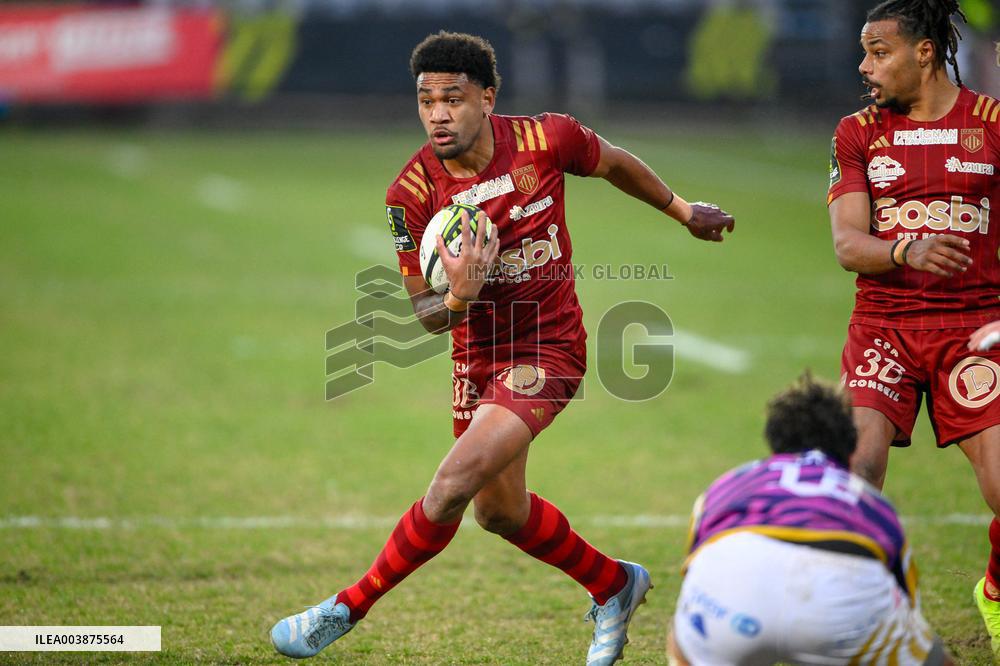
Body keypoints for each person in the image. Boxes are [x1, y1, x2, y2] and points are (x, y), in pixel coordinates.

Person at [269, 31, 735, 663]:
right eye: (426, 100)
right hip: (475, 356)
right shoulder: (408, 193)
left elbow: (616, 162)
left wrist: (683, 211)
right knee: (500, 511)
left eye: (453, 99)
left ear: (488, 98)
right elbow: (425, 314)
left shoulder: (547, 139)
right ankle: (614, 584)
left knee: (451, 483)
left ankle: (346, 607)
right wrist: (460, 295)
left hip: (550, 347)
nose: (437, 114)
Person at [826, 0, 1000, 653]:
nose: (864, 65)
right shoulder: (857, 132)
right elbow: (848, 244)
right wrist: (906, 249)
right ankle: (859, 618)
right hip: (884, 327)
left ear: (924, 52)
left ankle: (995, 589)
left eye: (879, 51)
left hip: (975, 326)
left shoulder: (992, 124)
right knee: (857, 470)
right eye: (865, 51)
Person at [668, 375, 953, 665]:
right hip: (842, 611)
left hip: (731, 609)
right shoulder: (869, 500)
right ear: (850, 445)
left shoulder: (731, 482)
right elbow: (905, 595)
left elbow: (695, 564)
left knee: (679, 639)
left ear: (773, 438)